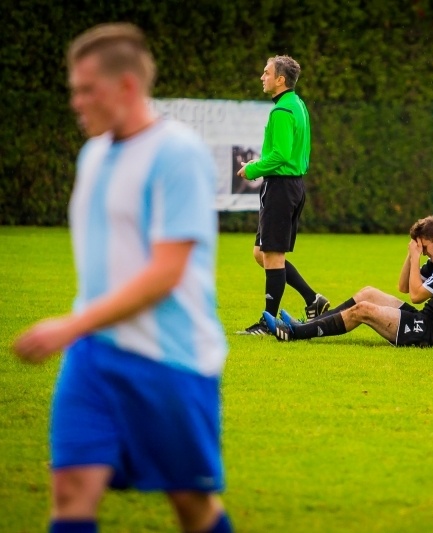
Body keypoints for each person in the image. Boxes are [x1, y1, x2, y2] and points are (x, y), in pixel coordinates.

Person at [12, 23, 232, 533]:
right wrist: (83, 331)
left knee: (190, 506)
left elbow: (166, 273)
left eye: (87, 89)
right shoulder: (92, 155)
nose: (76, 101)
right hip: (93, 358)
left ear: (127, 86)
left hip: (171, 362)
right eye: (74, 89)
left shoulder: (178, 154)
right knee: (70, 493)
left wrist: (71, 324)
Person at [261, 215, 433, 347]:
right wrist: (412, 253)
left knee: (363, 309)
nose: (426, 253)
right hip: (429, 319)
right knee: (368, 293)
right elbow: (402, 286)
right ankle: (306, 325)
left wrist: (416, 256)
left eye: (425, 247)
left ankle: (296, 333)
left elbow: (416, 295)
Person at [236, 54, 329, 335]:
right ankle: (313, 299)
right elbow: (291, 153)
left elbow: (280, 154)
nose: (262, 77)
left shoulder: (281, 111)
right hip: (292, 185)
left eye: (266, 73)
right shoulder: (297, 104)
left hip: (280, 188)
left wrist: (252, 170)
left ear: (280, 79)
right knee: (261, 254)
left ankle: (267, 323)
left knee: (272, 256)